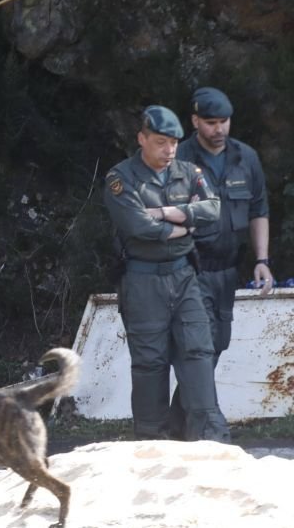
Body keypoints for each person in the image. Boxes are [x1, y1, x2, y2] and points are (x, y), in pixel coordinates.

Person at [103, 105, 230, 442]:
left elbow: (213, 209)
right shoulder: (121, 177)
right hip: (143, 281)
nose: (169, 150)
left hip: (184, 278)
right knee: (150, 365)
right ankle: (152, 444)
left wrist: (167, 212)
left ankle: (209, 440)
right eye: (160, 142)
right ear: (141, 139)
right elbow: (136, 226)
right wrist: (182, 227)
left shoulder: (189, 172)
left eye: (173, 142)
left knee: (199, 355)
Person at [168, 87, 271, 432]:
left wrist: (262, 260)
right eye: (210, 123)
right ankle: (209, 427)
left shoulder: (246, 158)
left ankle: (177, 424)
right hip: (188, 268)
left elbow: (258, 210)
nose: (219, 129)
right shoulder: (178, 158)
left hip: (227, 270)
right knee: (199, 346)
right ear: (195, 121)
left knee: (216, 344)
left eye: (224, 121)